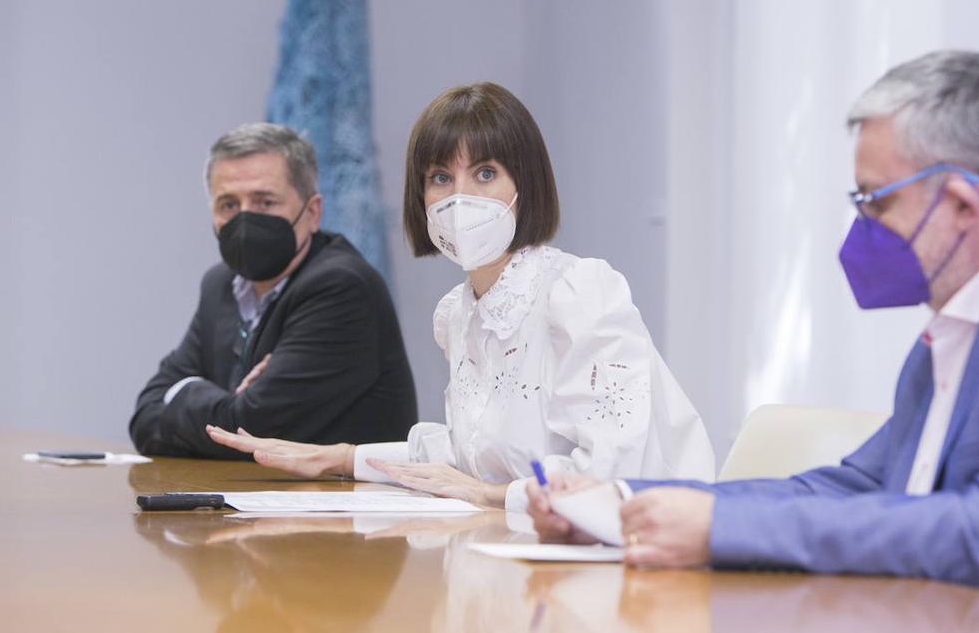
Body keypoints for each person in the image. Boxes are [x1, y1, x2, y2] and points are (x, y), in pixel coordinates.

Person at [528, 51, 979, 619]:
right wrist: (620, 505)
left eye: (875, 202)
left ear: (963, 203)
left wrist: (718, 528)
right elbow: (849, 487)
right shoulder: (953, 331)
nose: (862, 226)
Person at [209, 82, 714, 511]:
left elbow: (609, 473)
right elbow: (465, 455)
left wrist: (487, 496)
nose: (460, 197)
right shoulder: (460, 312)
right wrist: (338, 458)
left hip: (640, 562)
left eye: (486, 174)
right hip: (522, 555)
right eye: (441, 178)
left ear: (528, 183)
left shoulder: (580, 292)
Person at [129, 124, 417, 458]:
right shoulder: (220, 286)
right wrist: (229, 403)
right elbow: (145, 414)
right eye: (228, 205)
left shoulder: (341, 287)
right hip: (248, 500)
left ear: (311, 213)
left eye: (265, 202)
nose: (245, 219)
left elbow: (251, 428)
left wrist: (184, 394)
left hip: (346, 504)